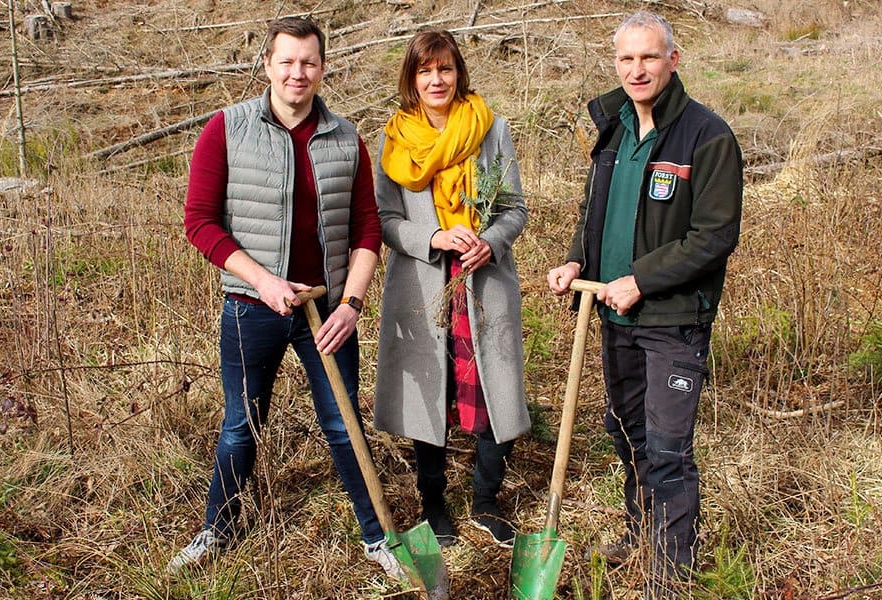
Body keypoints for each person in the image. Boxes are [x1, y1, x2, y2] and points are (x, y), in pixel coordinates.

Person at [169, 17, 402, 580]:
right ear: (268, 65)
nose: (298, 73)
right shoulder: (226, 128)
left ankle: (377, 539)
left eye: (309, 62)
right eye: (287, 61)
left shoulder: (346, 138)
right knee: (240, 424)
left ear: (323, 67)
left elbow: (368, 228)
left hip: (326, 310)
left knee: (345, 425)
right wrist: (263, 280)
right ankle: (216, 530)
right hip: (253, 307)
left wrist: (351, 303)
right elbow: (200, 223)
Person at [546, 11, 743, 596]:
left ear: (673, 60)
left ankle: (669, 572)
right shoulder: (611, 131)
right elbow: (594, 212)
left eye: (649, 57)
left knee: (666, 448)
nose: (637, 70)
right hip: (611, 313)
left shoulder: (707, 137)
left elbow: (713, 236)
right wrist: (577, 259)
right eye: (627, 59)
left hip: (671, 320)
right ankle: (640, 535)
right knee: (626, 432)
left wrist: (640, 279)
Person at [373, 30, 530, 549]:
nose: (436, 79)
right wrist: (434, 236)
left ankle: (486, 501)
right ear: (411, 79)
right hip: (423, 284)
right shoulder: (395, 139)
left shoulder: (491, 129)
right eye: (424, 71)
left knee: (492, 387)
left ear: (459, 72)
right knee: (430, 393)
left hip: (483, 283)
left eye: (444, 69)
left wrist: (490, 241)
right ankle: (433, 501)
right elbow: (386, 220)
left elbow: (514, 209)